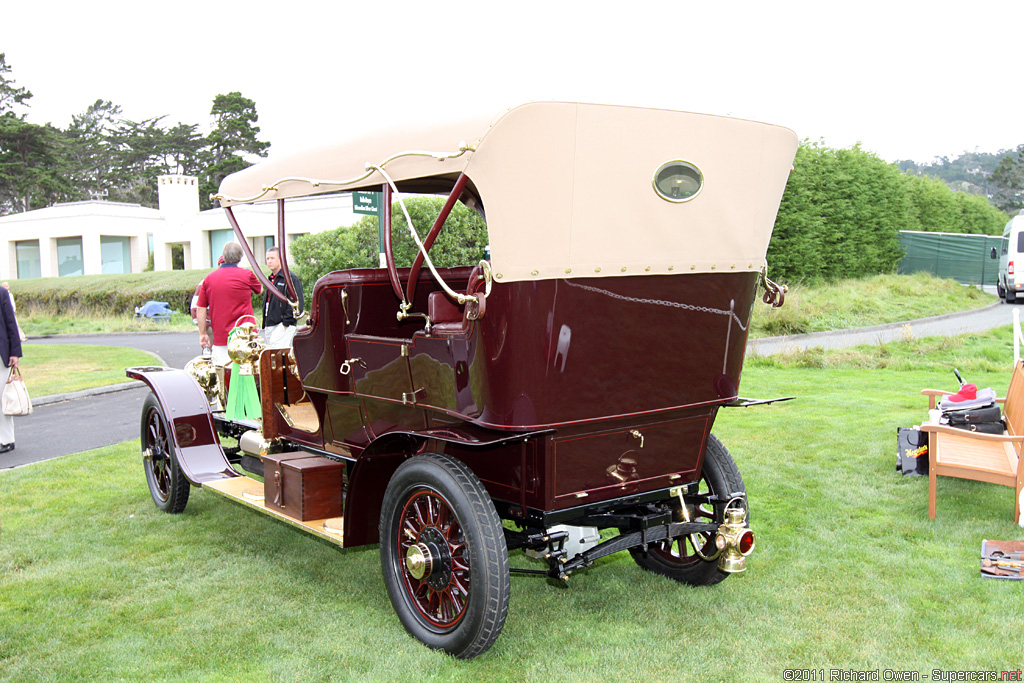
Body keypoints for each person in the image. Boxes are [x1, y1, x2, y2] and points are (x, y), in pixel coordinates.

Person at [196, 242, 262, 365]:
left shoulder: (209, 279)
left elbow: (201, 308)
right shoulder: (247, 275)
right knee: (248, 371)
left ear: (224, 256)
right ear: (240, 258)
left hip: (221, 336)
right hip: (245, 334)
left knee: (223, 372)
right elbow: (259, 290)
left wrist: (203, 333)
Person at [262, 246, 304, 348]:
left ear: (281, 260)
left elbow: (298, 304)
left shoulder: (291, 279)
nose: (269, 261)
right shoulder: (271, 279)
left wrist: (285, 324)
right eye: (267, 259)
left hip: (282, 326)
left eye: (272, 258)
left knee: (280, 357)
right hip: (269, 325)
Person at [0, 284, 22, 453]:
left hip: (2, 355)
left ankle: (6, 440)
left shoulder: (2, 293)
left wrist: (15, 352)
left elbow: (10, 323)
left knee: (3, 398)